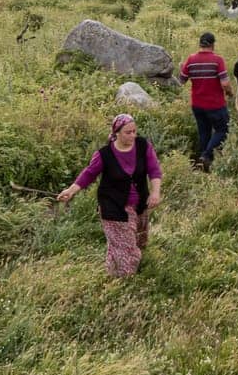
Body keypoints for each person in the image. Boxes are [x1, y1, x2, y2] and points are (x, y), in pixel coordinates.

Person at [57, 113, 162, 277]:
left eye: (135, 131)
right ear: (117, 133)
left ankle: (113, 273)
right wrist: (70, 191)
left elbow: (154, 170)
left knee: (138, 242)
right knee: (128, 251)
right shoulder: (104, 155)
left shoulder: (143, 146)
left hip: (140, 204)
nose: (133, 135)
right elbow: (88, 174)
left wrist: (155, 192)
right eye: (128, 132)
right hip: (114, 207)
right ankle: (125, 283)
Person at [179, 32, 230, 170]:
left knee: (204, 132)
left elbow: (181, 81)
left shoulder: (190, 59)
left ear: (200, 44)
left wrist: (181, 68)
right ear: (213, 45)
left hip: (197, 105)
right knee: (223, 130)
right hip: (215, 105)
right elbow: (225, 84)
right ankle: (206, 156)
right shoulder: (218, 60)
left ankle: (204, 164)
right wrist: (230, 93)